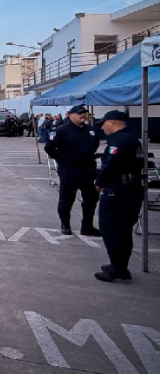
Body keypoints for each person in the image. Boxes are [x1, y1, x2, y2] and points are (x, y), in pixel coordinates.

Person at [93, 111, 142, 282]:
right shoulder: (132, 139)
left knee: (111, 228)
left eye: (103, 123)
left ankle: (117, 268)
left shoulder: (119, 141)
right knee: (123, 229)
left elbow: (111, 165)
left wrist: (99, 181)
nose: (102, 126)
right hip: (131, 188)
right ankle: (120, 265)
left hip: (118, 190)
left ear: (112, 122)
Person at [44, 105, 100, 236]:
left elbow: (95, 145)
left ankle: (87, 226)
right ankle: (65, 225)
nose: (83, 115)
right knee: (67, 199)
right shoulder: (61, 130)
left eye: (85, 113)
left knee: (90, 200)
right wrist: (61, 159)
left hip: (88, 170)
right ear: (70, 115)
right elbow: (49, 148)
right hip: (69, 170)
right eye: (80, 113)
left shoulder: (91, 130)